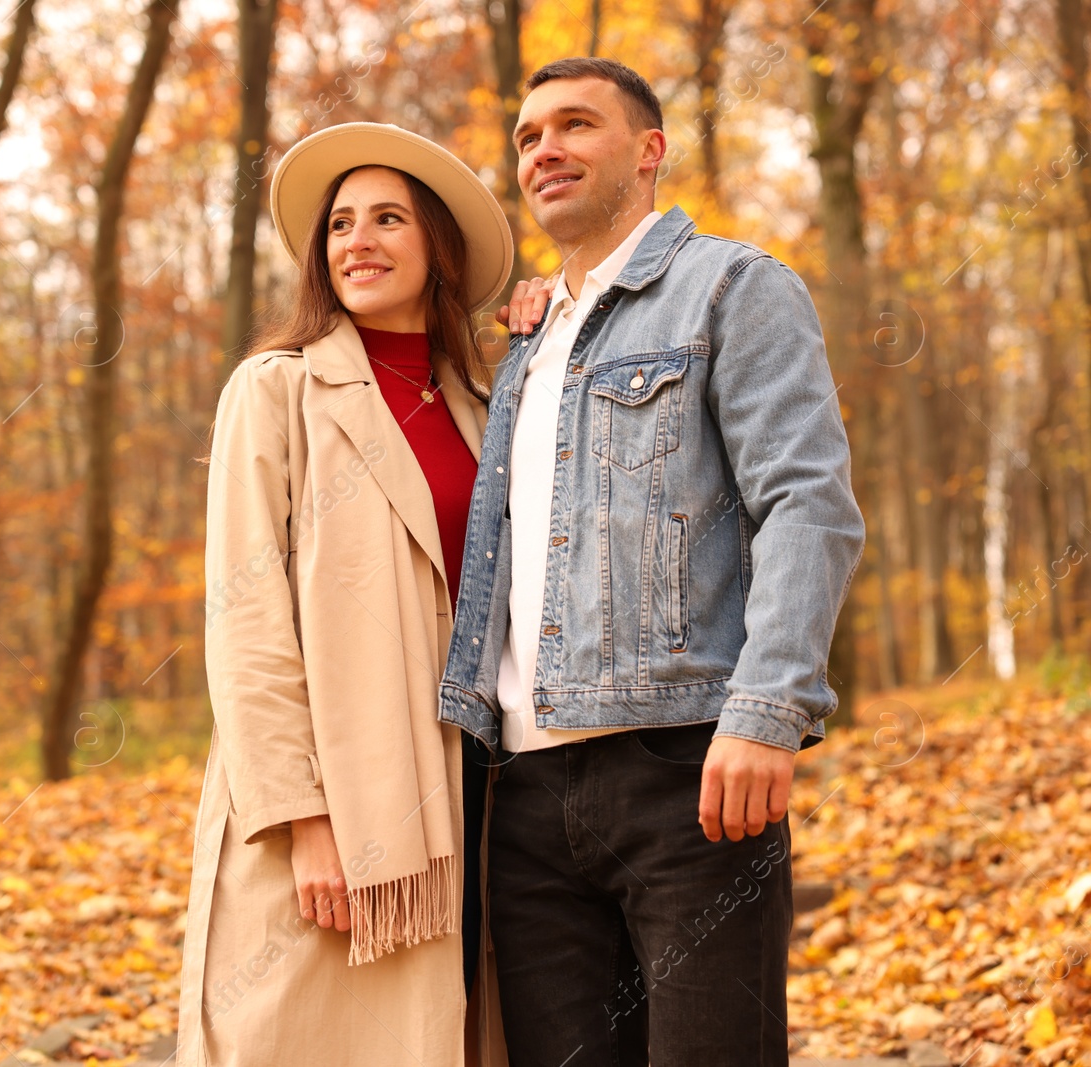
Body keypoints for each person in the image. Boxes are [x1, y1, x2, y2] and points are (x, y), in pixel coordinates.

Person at [438, 58, 866, 1067]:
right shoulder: (529, 341)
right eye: (528, 136)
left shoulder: (733, 286)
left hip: (687, 770)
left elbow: (805, 502)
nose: (545, 148)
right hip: (524, 792)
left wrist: (769, 707)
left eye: (575, 125)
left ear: (649, 150)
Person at [176, 122, 514, 1067]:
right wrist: (306, 819)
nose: (357, 241)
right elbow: (246, 623)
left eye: (388, 219)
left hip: (469, 798)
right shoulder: (275, 389)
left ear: (437, 245)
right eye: (340, 225)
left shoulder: (482, 405)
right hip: (325, 810)